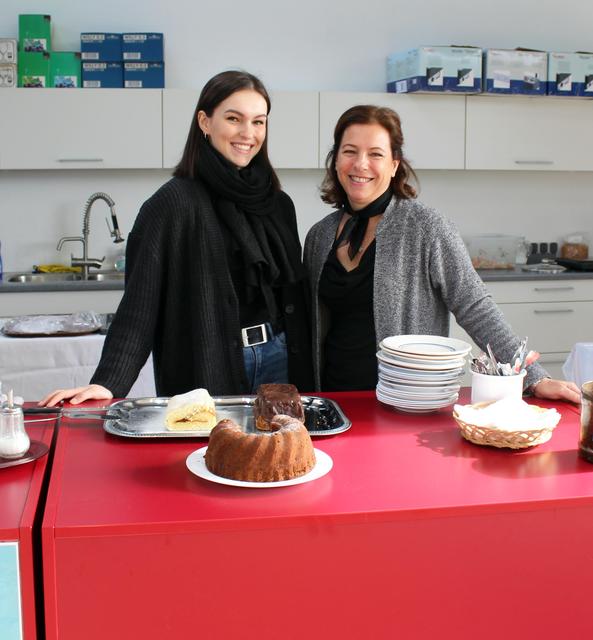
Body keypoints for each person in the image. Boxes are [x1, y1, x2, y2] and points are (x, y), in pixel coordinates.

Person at [41, 70, 312, 407]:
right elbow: (139, 309)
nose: (248, 133)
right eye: (233, 118)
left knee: (279, 457)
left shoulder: (276, 203)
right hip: (207, 368)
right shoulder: (171, 204)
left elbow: (294, 297)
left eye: (259, 122)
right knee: (205, 458)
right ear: (205, 121)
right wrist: (107, 383)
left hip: (280, 360)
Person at [303, 104, 580, 403]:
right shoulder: (320, 235)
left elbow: (474, 306)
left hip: (408, 401)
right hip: (333, 398)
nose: (360, 164)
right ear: (335, 160)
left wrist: (534, 375)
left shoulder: (425, 227)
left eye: (375, 154)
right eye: (349, 151)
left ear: (395, 164)